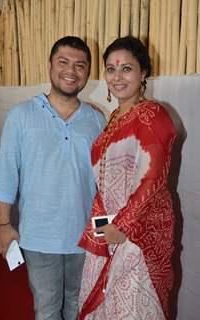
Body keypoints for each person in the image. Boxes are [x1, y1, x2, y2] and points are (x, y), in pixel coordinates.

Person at [0, 36, 105, 320]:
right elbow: (6, 174)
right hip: (39, 237)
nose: (71, 70)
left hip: (85, 236)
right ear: (49, 66)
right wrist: (4, 225)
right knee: (48, 309)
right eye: (63, 62)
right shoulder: (22, 115)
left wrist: (102, 230)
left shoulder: (96, 120)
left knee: (78, 306)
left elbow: (104, 183)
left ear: (88, 72)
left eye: (80, 65)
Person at [78, 36, 177, 320]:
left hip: (140, 231)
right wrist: (101, 227)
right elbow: (103, 181)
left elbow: (153, 178)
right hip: (110, 226)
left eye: (126, 69)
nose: (117, 77)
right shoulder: (113, 120)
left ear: (143, 72)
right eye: (110, 69)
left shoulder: (152, 114)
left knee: (132, 306)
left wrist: (122, 226)